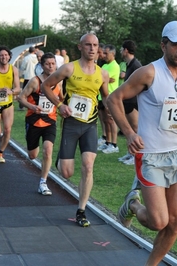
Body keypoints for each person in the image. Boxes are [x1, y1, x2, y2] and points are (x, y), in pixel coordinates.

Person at [107, 21, 177, 265]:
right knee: (158, 221)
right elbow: (114, 99)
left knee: (176, 221)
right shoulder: (148, 73)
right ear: (163, 45)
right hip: (151, 155)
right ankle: (132, 204)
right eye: (175, 44)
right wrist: (130, 132)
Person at [41, 33, 109, 227]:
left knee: (88, 165)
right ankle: (62, 158)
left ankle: (81, 210)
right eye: (88, 45)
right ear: (80, 47)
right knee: (67, 172)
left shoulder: (102, 73)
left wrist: (112, 111)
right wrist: (59, 105)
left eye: (95, 45)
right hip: (71, 124)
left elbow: (106, 97)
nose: (92, 48)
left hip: (90, 124)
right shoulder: (69, 68)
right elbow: (46, 85)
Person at [17, 52, 63, 196]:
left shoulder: (59, 82)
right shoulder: (35, 81)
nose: (51, 66)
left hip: (50, 121)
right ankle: (31, 144)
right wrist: (32, 107)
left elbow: (61, 99)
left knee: (48, 150)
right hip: (34, 121)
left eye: (53, 63)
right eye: (48, 64)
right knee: (32, 155)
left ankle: (43, 182)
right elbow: (20, 98)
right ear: (42, 66)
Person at [117, 40, 143, 165]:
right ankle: (130, 153)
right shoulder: (129, 64)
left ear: (126, 50)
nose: (121, 51)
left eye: (122, 49)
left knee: (135, 129)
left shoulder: (136, 66)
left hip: (133, 102)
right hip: (127, 102)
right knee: (130, 129)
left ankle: (136, 155)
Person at [100, 44, 120, 154]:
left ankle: (114, 144)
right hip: (102, 96)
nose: (104, 55)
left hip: (110, 96)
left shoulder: (114, 66)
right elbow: (101, 79)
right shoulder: (104, 66)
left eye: (106, 53)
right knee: (106, 121)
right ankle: (107, 142)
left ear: (113, 54)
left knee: (111, 121)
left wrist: (104, 80)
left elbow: (102, 79)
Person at [19, 46, 38, 110]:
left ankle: (22, 106)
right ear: (34, 51)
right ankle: (34, 105)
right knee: (35, 93)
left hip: (28, 77)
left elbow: (23, 67)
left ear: (28, 51)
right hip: (36, 77)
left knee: (24, 92)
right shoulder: (37, 57)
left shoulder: (26, 58)